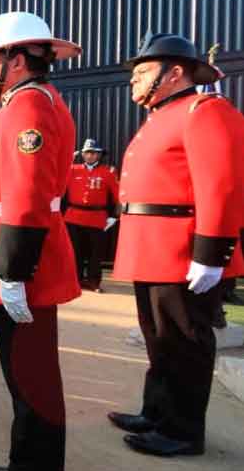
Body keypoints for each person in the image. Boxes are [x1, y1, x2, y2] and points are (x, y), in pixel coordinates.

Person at [0, 12, 81, 471]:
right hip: (11, 267)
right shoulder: (18, 107)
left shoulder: (29, 108)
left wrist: (13, 272)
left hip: (21, 271)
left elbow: (27, 197)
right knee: (25, 377)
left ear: (16, 61)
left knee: (33, 379)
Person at [108, 31, 244, 457]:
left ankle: (184, 431)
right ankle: (158, 412)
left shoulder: (205, 110)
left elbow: (220, 186)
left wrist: (211, 254)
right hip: (151, 246)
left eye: (143, 71)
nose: (133, 80)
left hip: (183, 250)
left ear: (176, 73)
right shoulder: (162, 116)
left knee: (185, 341)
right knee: (158, 337)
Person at [63, 138, 119, 293]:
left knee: (96, 254)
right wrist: (67, 160)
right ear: (82, 154)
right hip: (73, 216)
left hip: (97, 217)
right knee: (75, 252)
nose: (90, 156)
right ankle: (76, 280)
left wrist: (114, 216)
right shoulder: (72, 170)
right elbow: (56, 180)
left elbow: (118, 196)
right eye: (87, 153)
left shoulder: (108, 172)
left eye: (94, 153)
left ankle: (94, 281)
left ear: (99, 155)